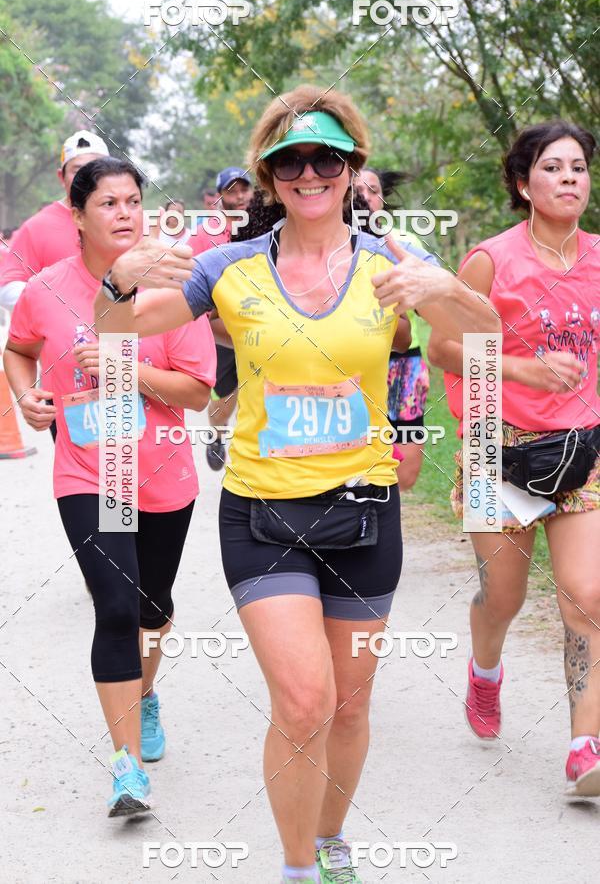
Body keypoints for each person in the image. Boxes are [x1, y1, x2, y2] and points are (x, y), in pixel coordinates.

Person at [93, 85, 498, 882]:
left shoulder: (393, 263)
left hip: (366, 513)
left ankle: (330, 836)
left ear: (352, 169)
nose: (309, 173)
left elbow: (482, 337)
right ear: (270, 176)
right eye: (289, 161)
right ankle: (295, 866)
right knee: (306, 700)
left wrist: (446, 290)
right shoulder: (229, 267)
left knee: (348, 707)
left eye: (326, 158)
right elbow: (116, 335)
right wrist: (117, 282)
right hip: (263, 515)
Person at [3, 157, 216, 817]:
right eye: (109, 203)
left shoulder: (174, 290)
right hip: (89, 470)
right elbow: (19, 348)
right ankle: (127, 768)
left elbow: (199, 388)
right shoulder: (45, 288)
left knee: (153, 607)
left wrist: (129, 368)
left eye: (133, 201)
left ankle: (145, 694)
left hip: (162, 472)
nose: (125, 213)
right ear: (77, 216)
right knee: (117, 607)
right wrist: (27, 396)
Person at [428, 120, 600, 797]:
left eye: (579, 167)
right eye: (552, 168)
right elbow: (441, 350)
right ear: (523, 183)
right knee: (503, 596)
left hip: (582, 453)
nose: (568, 178)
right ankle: (486, 669)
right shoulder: (490, 261)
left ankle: (586, 745)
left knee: (587, 596)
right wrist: (524, 371)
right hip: (495, 451)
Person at [357, 167, 431, 490]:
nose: (365, 197)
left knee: (406, 474)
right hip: (350, 364)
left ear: (383, 199)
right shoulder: (327, 244)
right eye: (356, 190)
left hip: (403, 364)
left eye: (372, 190)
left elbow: (435, 297)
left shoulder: (404, 242)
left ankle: (386, 532)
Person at [188, 167, 254, 471]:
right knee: (225, 396)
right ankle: (216, 434)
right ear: (220, 197)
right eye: (232, 190)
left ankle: (257, 454)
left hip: (264, 322)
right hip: (221, 325)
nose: (239, 196)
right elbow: (193, 279)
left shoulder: (267, 224)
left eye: (244, 189)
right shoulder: (206, 234)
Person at [0, 130, 110, 311]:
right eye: (78, 170)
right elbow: (7, 287)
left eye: (96, 169)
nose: (87, 177)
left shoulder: (125, 220)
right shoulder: (38, 227)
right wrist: (58, 302)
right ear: (61, 177)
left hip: (117, 335)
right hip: (62, 337)